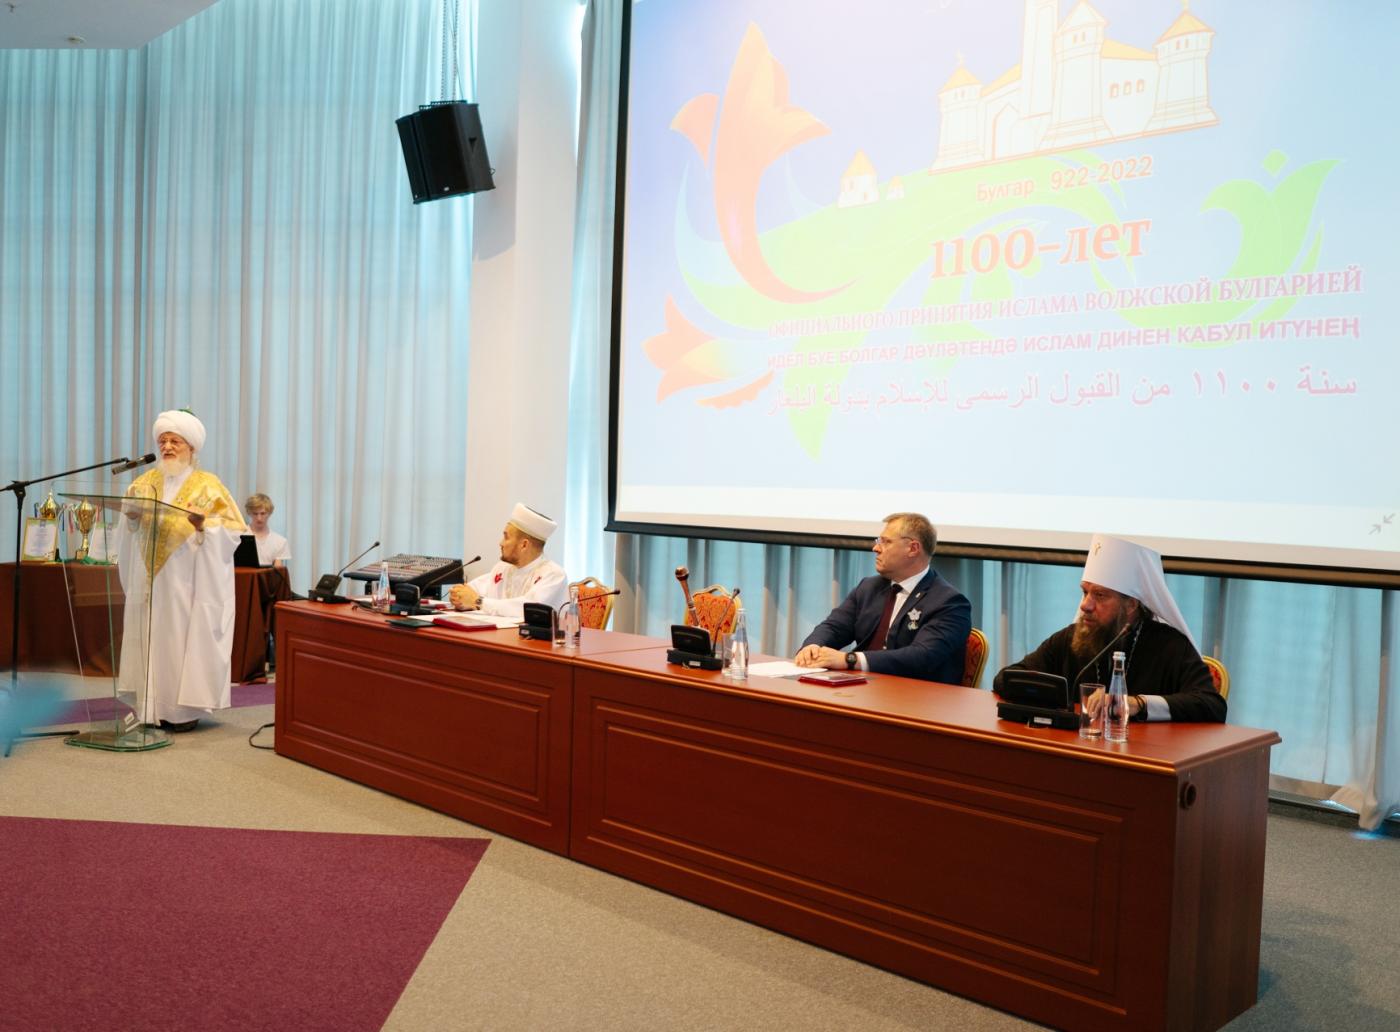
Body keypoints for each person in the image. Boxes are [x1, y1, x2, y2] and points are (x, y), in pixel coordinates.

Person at [993, 533, 1226, 722]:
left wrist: (1137, 703)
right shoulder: (1071, 638)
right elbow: (1005, 679)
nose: (1085, 605)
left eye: (1100, 595)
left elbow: (1212, 705)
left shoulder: (1171, 646)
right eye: (1085, 592)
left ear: (1131, 605)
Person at [117, 409, 246, 732]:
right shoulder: (143, 484)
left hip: (186, 580)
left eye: (175, 441)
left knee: (178, 640)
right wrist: (131, 519)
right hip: (150, 578)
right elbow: (129, 528)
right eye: (163, 441)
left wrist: (204, 525)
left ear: (191, 446)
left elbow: (232, 532)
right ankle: (149, 708)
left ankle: (180, 712)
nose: (167, 447)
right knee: (150, 638)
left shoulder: (209, 486)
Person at [794, 512, 971, 683]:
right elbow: (834, 627)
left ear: (913, 548)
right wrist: (813, 647)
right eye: (878, 541)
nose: (876, 548)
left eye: (886, 542)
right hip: (862, 688)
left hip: (917, 695)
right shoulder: (869, 587)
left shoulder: (949, 603)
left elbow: (923, 656)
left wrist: (849, 659)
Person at [448, 503, 567, 620]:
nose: (501, 543)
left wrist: (478, 601)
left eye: (506, 537)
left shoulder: (554, 574)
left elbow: (526, 608)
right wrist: (459, 596)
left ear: (524, 545)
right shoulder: (503, 567)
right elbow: (476, 589)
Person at [244, 492, 290, 569]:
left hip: (268, 577)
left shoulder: (280, 541)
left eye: (263, 513)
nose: (259, 518)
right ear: (249, 513)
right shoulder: (238, 536)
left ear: (269, 513)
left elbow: (278, 572)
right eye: (255, 514)